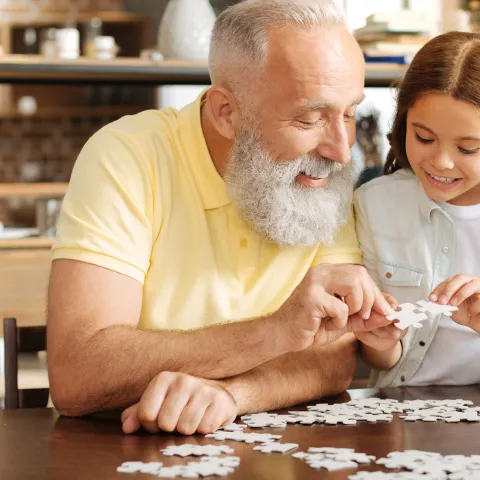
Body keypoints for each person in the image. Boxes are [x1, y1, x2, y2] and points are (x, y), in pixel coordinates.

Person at [47, 0, 393, 435]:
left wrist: (233, 396)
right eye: (309, 119)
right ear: (226, 112)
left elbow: (335, 355)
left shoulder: (322, 175)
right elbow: (77, 374)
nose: (341, 151)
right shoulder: (128, 156)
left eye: (348, 113)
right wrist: (273, 333)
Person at [354, 31, 480, 388]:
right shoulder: (375, 204)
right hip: (401, 412)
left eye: (468, 149)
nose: (440, 162)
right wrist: (380, 340)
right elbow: (379, 358)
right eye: (423, 138)